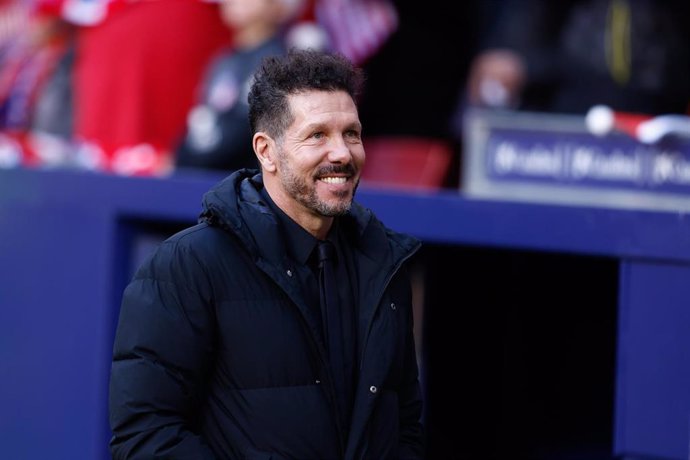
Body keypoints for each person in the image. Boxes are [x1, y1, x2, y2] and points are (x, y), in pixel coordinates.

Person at [109, 48, 425, 459]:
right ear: (266, 151)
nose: (343, 153)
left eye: (352, 133)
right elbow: (145, 436)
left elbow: (405, 425)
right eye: (318, 135)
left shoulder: (384, 263)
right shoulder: (187, 265)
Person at [174, 0, 310, 173]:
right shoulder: (223, 60)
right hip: (205, 176)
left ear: (278, 7)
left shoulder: (281, 62)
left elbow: (247, 131)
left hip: (249, 183)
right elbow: (201, 121)